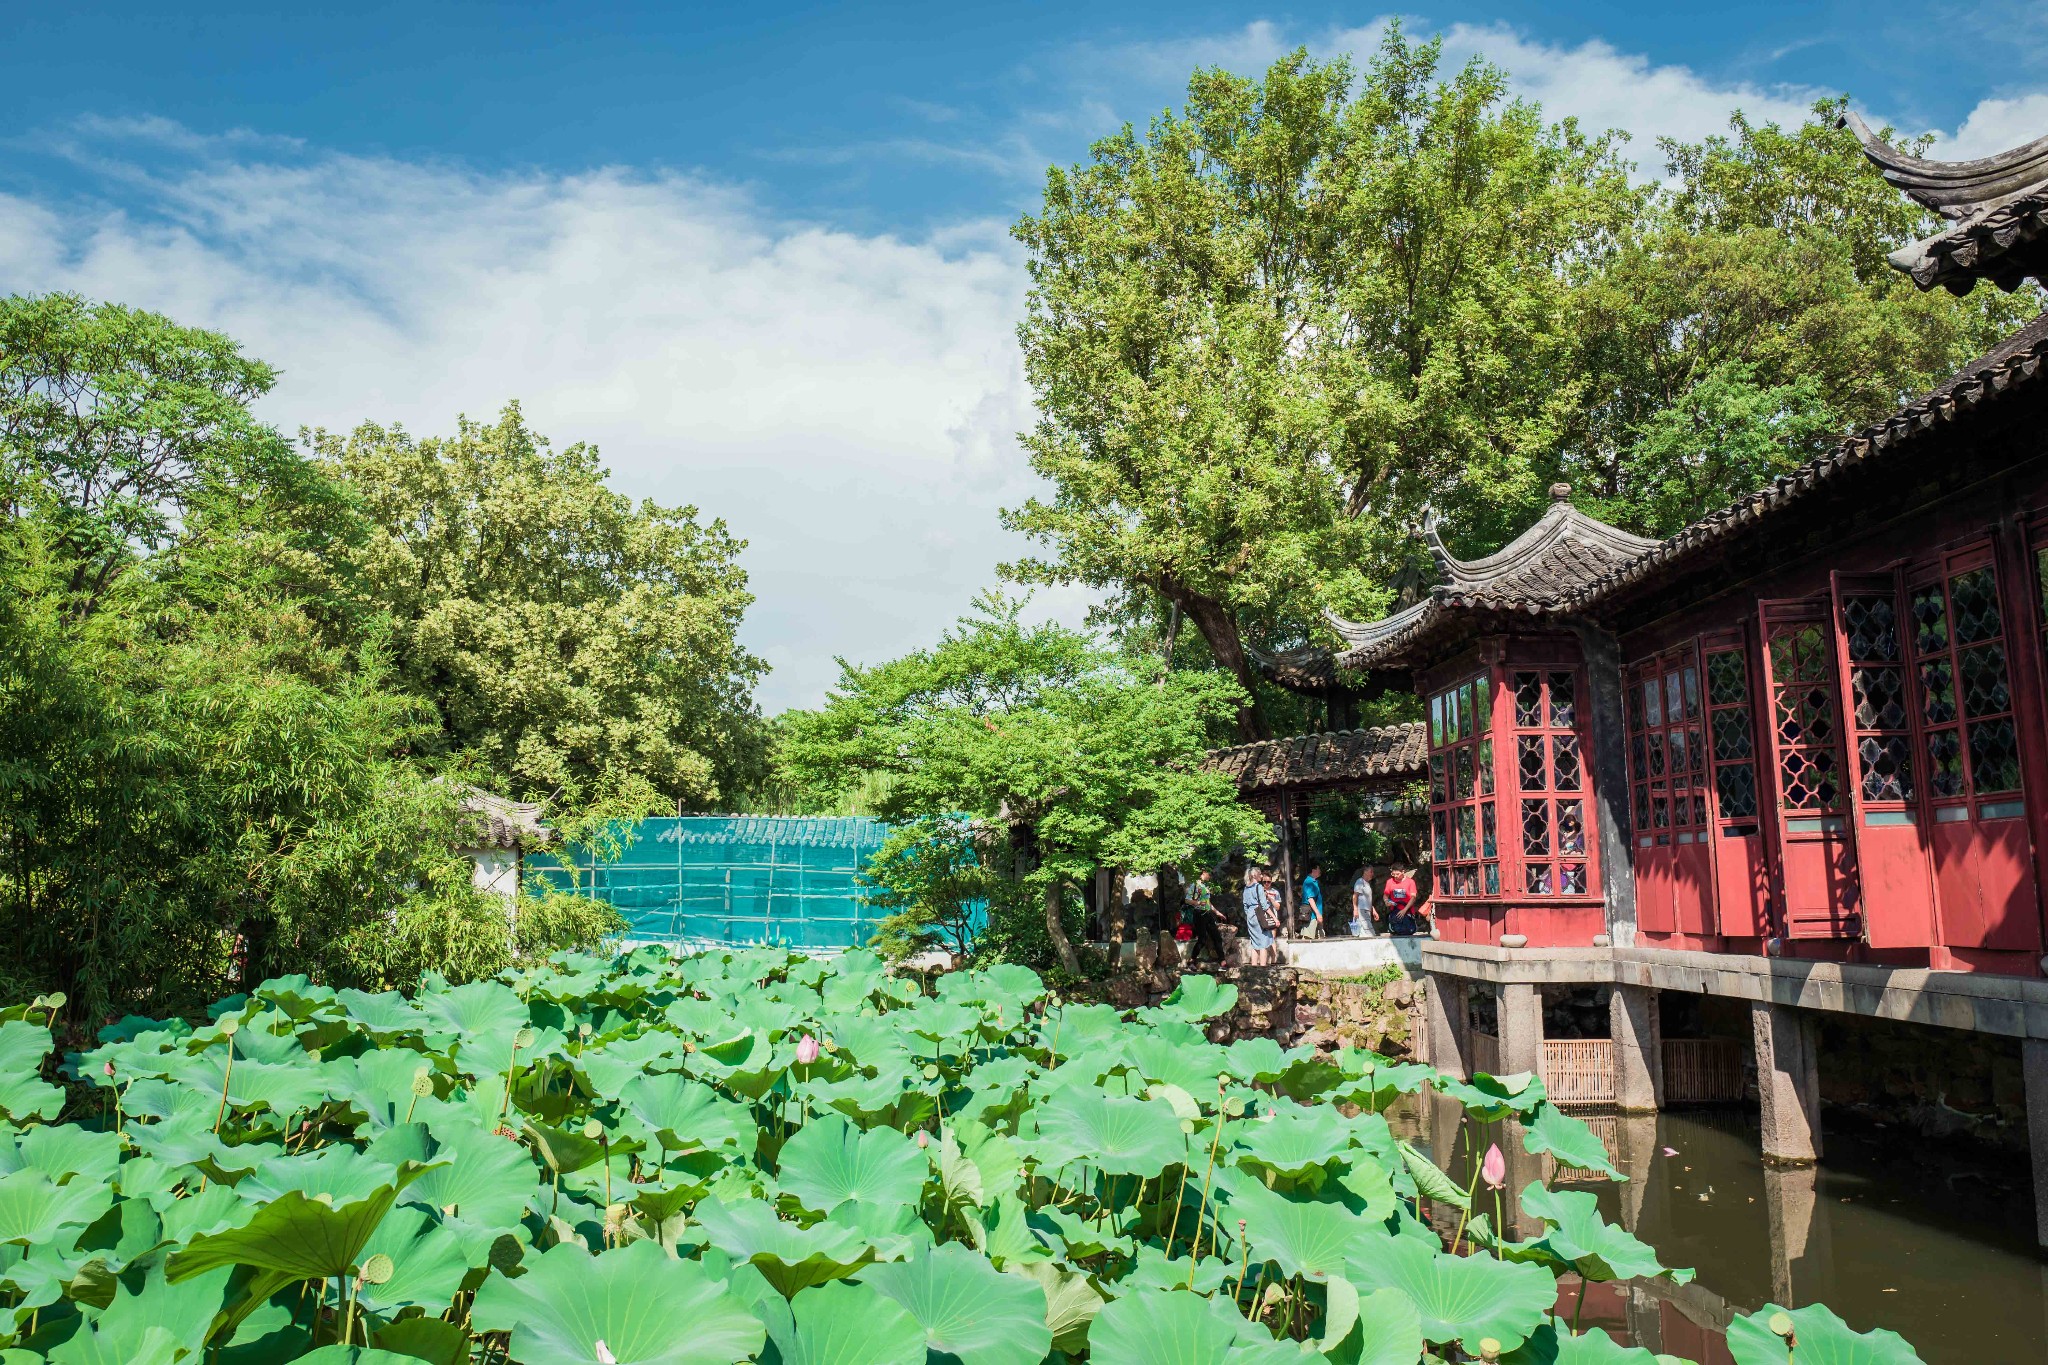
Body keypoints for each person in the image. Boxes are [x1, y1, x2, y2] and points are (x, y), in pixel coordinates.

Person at [1188, 869, 1229, 965]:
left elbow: (1208, 903)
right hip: (1199, 913)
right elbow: (1188, 900)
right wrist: (1198, 903)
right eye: (1208, 873)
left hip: (1207, 913)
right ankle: (1192, 960)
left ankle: (1222, 960)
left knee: (1217, 937)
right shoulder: (1195, 886)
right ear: (1203, 873)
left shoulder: (1204, 886)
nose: (1210, 875)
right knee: (1202, 939)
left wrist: (1217, 912)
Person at [1240, 867, 1275, 965]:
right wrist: (1274, 918)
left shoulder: (1246, 888)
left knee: (1255, 943)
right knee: (1263, 943)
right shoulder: (1258, 887)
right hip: (1259, 915)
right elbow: (1264, 905)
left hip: (1250, 916)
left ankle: (1254, 968)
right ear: (1255, 875)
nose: (1261, 876)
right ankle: (1263, 968)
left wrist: (1249, 915)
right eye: (1260, 874)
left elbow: (1245, 905)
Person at [1384, 859, 1421, 936]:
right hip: (1394, 912)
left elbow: (1413, 897)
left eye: (1397, 874)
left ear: (1403, 872)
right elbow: (1386, 895)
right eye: (1393, 874)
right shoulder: (1390, 882)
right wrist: (1386, 901)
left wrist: (1404, 910)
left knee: (1407, 932)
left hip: (1407, 912)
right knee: (1394, 931)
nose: (1395, 876)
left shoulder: (1410, 882)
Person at [1351, 865, 1377, 938]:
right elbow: (1355, 896)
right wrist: (1355, 909)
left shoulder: (1367, 884)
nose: (1372, 874)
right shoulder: (1359, 882)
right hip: (1361, 911)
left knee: (1366, 933)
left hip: (1367, 911)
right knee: (1369, 933)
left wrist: (1373, 910)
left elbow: (1367, 899)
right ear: (1365, 872)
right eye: (1371, 872)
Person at [1300, 863, 1324, 939]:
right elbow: (1310, 899)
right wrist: (1318, 914)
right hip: (1311, 916)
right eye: (1318, 869)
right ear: (1313, 870)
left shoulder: (1313, 881)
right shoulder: (1309, 882)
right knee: (1308, 939)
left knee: (1319, 938)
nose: (1320, 871)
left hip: (1314, 916)